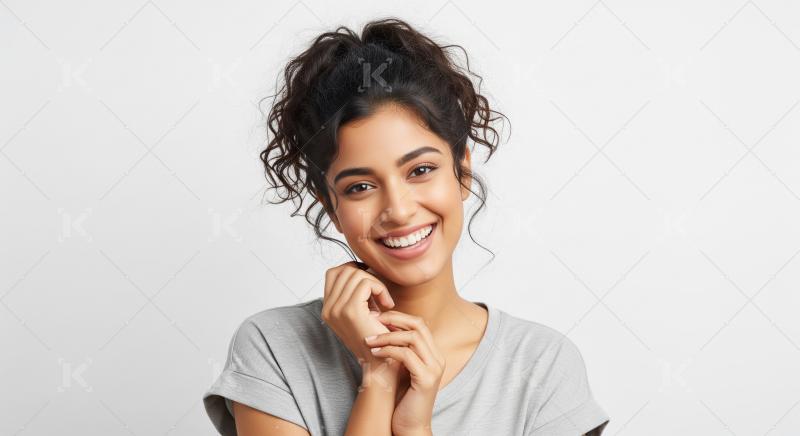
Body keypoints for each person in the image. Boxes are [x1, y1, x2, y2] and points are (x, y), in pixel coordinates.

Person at [203, 17, 610, 436]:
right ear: (330, 204)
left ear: (462, 173)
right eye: (360, 186)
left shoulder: (542, 367)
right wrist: (377, 378)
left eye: (420, 170)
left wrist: (416, 429)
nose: (398, 210)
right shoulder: (274, 348)